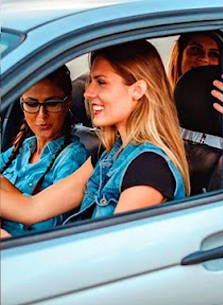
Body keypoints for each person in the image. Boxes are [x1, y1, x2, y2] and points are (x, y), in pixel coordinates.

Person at [1, 40, 190, 235]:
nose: (88, 93)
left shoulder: (149, 168)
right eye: (91, 81)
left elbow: (111, 252)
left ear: (137, 90)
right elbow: (31, 208)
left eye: (101, 82)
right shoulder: (108, 156)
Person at [0, 66, 89, 237]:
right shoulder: (24, 147)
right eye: (32, 104)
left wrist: (4, 184)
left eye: (52, 103)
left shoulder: (72, 158)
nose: (41, 115)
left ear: (67, 102)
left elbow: (51, 226)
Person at [168, 31, 223, 114]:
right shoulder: (160, 104)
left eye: (213, 54)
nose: (204, 59)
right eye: (195, 49)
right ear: (179, 57)